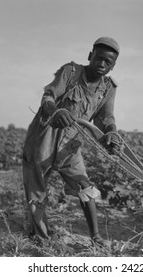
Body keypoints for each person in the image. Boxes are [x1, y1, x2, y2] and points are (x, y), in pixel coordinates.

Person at [22, 37, 121, 246]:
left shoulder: (109, 88)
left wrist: (112, 132)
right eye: (99, 58)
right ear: (90, 56)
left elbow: (106, 117)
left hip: (72, 142)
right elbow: (48, 97)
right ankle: (41, 239)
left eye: (108, 62)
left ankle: (96, 237)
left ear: (113, 66)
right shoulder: (70, 72)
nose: (102, 64)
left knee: (85, 186)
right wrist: (55, 110)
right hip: (46, 134)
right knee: (37, 187)